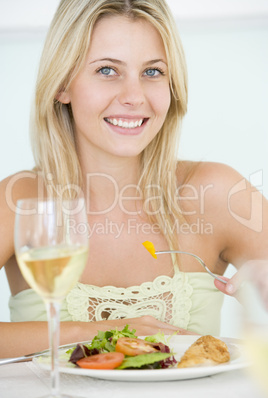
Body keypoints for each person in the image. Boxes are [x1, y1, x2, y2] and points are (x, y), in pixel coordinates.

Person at [0, 0, 267, 358]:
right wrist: (103, 332)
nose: (134, 96)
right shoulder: (20, 201)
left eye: (152, 72)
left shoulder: (216, 192)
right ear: (62, 84)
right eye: (107, 70)